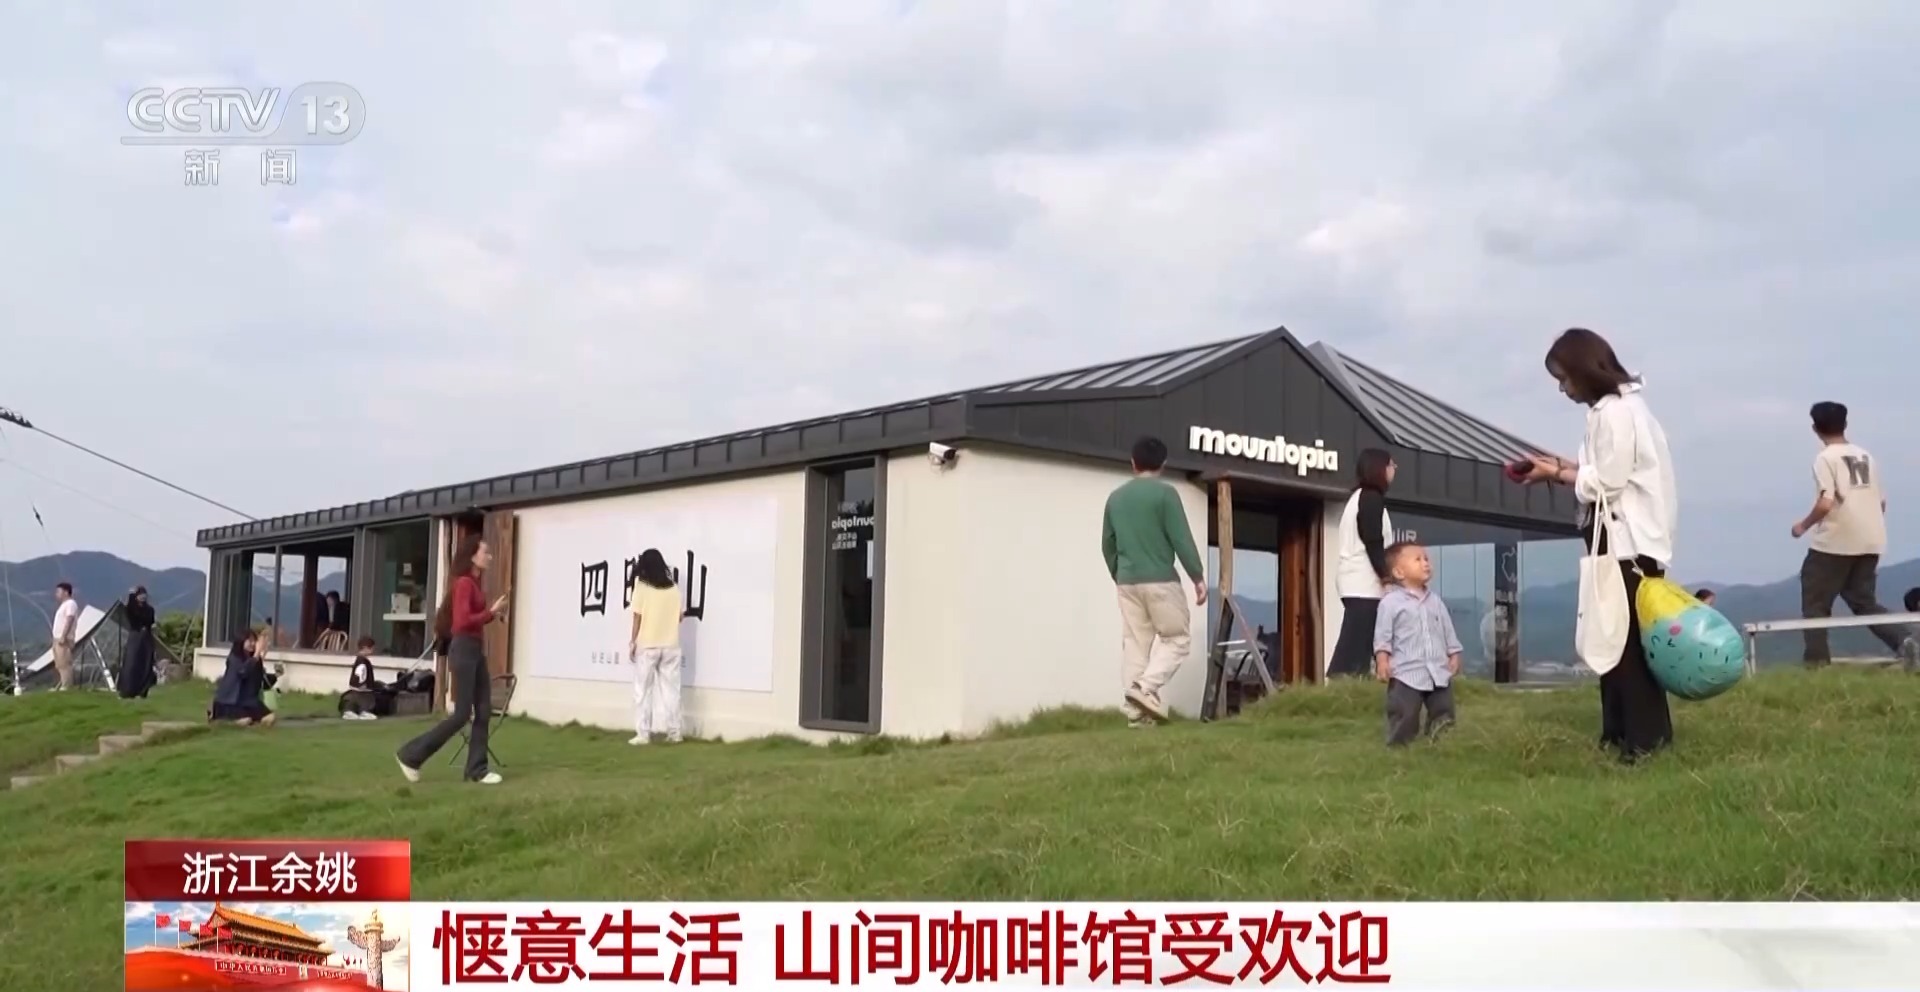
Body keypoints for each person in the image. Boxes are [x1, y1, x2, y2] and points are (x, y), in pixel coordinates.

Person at [1521, 327, 1676, 763]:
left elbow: (1607, 480)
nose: (1562, 389)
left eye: (1564, 378)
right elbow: (1605, 468)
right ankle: (1620, 731)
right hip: (1629, 540)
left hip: (1627, 542)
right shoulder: (1623, 409)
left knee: (1625, 644)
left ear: (1585, 370)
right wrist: (1563, 465)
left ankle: (1642, 741)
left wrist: (1557, 474)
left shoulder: (1616, 413)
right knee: (1615, 639)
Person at [1790, 401, 1918, 668]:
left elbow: (1826, 502)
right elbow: (1881, 502)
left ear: (1815, 428)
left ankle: (1816, 664)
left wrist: (1803, 526)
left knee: (1815, 603)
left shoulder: (1825, 458)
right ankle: (1904, 641)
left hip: (1836, 541)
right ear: (1845, 424)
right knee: (1864, 601)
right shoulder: (1866, 456)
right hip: (1871, 539)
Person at [1100, 435, 1207, 726]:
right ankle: (1144, 689)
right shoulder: (1166, 495)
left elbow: (1107, 544)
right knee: (1177, 639)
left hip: (1127, 581)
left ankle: (1137, 715)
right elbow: (1180, 538)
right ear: (1163, 464)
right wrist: (1197, 576)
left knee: (1135, 643)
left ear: (1133, 462)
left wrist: (1119, 574)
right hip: (1160, 579)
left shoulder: (1115, 498)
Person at [396, 536, 509, 785]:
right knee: (462, 715)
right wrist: (490, 612)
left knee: (483, 710)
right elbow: (462, 622)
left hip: (474, 649)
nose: (489, 556)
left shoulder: (474, 584)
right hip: (464, 650)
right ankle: (411, 755)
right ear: (473, 556)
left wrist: (493, 614)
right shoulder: (465, 584)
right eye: (485, 552)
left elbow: (473, 619)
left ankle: (476, 770)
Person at [1372, 542, 1461, 745]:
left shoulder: (1436, 601)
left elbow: (1447, 630)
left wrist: (1454, 653)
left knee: (1443, 710)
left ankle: (1442, 744)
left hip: (1438, 670)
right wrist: (1382, 660)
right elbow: (1383, 635)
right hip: (1405, 672)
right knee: (1405, 712)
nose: (1425, 563)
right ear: (1399, 572)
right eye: (1418, 560)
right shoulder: (1390, 602)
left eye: (1426, 559)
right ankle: (1399, 747)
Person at [1330, 448, 1396, 677]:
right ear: (1380, 468)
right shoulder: (1370, 498)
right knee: (1354, 648)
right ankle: (1341, 685)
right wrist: (1385, 576)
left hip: (1356, 582)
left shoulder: (1359, 498)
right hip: (1363, 584)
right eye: (1391, 465)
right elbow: (1373, 540)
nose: (1394, 470)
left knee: (1361, 643)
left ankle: (1352, 683)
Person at [626, 548, 685, 745]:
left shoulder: (641, 587)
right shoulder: (674, 589)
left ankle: (643, 734)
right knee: (671, 692)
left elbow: (637, 616)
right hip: (671, 645)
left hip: (648, 646)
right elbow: (680, 617)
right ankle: (675, 733)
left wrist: (633, 642)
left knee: (643, 692)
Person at [209, 630, 277, 726]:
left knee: (270, 718)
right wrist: (257, 654)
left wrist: (275, 675)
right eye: (250, 641)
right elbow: (243, 672)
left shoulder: (254, 659)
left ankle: (254, 724)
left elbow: (260, 681)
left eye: (254, 641)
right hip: (231, 702)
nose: (253, 644)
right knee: (245, 721)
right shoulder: (234, 658)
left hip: (249, 701)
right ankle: (223, 720)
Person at [116, 586, 159, 699]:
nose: (142, 597)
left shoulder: (150, 609)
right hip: (135, 638)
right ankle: (127, 690)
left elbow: (151, 623)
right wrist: (131, 595)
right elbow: (131, 614)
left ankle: (142, 691)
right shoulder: (131, 609)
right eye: (140, 595)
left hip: (146, 639)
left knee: (145, 664)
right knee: (131, 664)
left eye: (144, 594)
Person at [340, 636, 396, 720]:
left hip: (355, 687)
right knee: (367, 700)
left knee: (353, 699)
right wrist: (362, 683)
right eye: (371, 648)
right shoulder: (364, 661)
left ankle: (349, 711)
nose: (372, 651)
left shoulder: (358, 659)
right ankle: (365, 712)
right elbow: (361, 672)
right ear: (365, 648)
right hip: (363, 687)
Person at [50, 581, 79, 691]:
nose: (56, 594)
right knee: (59, 663)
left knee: (64, 662)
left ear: (66, 592)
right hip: (57, 638)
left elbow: (69, 619)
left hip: (64, 638)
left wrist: (63, 636)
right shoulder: (63, 605)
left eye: (59, 591)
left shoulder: (70, 604)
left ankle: (67, 686)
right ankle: (62, 684)